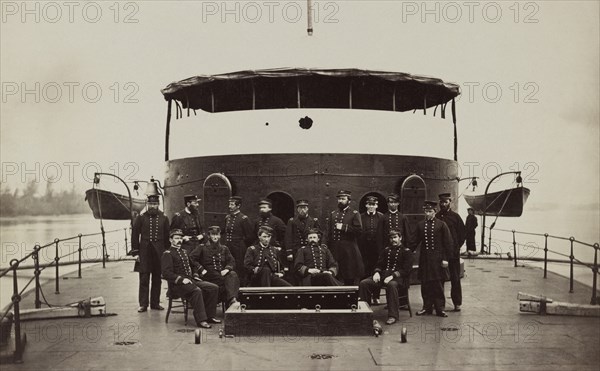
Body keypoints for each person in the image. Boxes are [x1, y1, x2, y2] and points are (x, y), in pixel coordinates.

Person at [161, 229, 220, 329]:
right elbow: (166, 273)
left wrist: (196, 275)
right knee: (197, 291)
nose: (179, 240)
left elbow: (192, 266)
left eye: (180, 238)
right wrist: (181, 280)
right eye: (176, 238)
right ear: (171, 240)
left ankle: (210, 316)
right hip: (177, 285)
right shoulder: (168, 254)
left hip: (190, 280)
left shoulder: (184, 252)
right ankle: (201, 320)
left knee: (213, 287)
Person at [358, 229, 412, 324]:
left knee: (391, 285)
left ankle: (393, 315)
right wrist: (377, 273)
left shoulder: (406, 251)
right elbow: (379, 264)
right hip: (383, 277)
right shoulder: (386, 250)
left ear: (400, 238)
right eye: (391, 238)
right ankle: (365, 312)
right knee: (364, 283)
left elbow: (406, 270)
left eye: (395, 237)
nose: (393, 240)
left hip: (399, 279)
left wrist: (393, 276)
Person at [131, 194, 170, 312]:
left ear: (158, 204)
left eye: (154, 204)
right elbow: (135, 235)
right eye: (150, 204)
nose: (152, 206)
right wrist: (136, 252)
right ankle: (143, 304)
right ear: (147, 205)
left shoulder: (164, 218)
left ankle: (155, 303)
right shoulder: (141, 217)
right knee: (144, 278)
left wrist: (167, 252)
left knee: (157, 278)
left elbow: (167, 236)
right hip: (144, 252)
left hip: (159, 253)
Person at [414, 201, 453, 317]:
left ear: (435, 212)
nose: (428, 213)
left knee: (438, 284)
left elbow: (448, 243)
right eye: (426, 211)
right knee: (425, 284)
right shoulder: (420, 225)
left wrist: (446, 259)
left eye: (430, 211)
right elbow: (414, 240)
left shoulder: (441, 225)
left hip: (438, 260)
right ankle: (426, 307)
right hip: (425, 260)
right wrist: (407, 250)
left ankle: (440, 308)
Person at [190, 226, 240, 308]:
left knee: (232, 274)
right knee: (231, 282)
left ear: (220, 236)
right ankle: (232, 301)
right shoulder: (202, 247)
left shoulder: (224, 248)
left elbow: (231, 261)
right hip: (208, 275)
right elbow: (191, 258)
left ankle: (232, 299)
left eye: (217, 234)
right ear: (209, 236)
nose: (215, 237)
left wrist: (227, 269)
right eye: (213, 235)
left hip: (221, 274)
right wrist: (200, 268)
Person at [436, 193, 466, 312]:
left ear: (450, 202)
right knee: (439, 279)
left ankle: (457, 303)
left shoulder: (456, 217)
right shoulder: (437, 217)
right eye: (441, 202)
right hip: (439, 254)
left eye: (445, 202)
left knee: (455, 278)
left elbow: (462, 234)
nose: (443, 204)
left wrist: (456, 247)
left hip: (453, 254)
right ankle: (439, 304)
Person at [327, 190, 364, 285]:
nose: (340, 201)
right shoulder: (333, 214)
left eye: (343, 199)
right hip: (335, 250)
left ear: (349, 201)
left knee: (349, 275)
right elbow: (328, 231)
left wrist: (344, 227)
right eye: (339, 199)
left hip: (349, 250)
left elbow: (359, 231)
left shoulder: (354, 213)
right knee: (336, 274)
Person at [284, 199, 321, 283]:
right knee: (295, 271)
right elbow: (288, 237)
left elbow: (319, 235)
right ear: (297, 209)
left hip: (309, 250)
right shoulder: (292, 221)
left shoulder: (314, 221)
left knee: (308, 271)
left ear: (307, 209)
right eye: (300, 208)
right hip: (296, 250)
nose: (302, 210)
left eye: (304, 208)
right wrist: (289, 252)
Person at [224, 196, 254, 286]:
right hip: (229, 246)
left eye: (232, 204)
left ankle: (241, 287)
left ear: (238, 206)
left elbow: (250, 236)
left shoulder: (243, 219)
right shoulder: (227, 218)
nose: (229, 206)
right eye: (229, 204)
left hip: (239, 248)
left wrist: (241, 244)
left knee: (239, 267)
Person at [359, 196, 385, 277]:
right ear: (366, 205)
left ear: (376, 206)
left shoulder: (381, 217)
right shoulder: (360, 217)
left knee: (376, 267)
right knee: (365, 268)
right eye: (369, 204)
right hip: (364, 247)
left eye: (373, 205)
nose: (371, 207)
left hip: (377, 248)